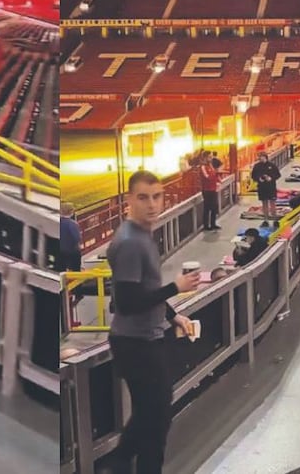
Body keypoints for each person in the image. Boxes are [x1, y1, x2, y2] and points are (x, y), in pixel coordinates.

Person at [106, 171, 200, 474]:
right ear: (129, 200)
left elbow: (145, 290)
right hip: (136, 345)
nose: (152, 204)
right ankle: (122, 463)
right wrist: (176, 287)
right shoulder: (131, 243)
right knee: (156, 422)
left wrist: (173, 315)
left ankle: (118, 463)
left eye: (157, 197)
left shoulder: (142, 235)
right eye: (143, 198)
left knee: (151, 416)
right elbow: (126, 302)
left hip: (144, 340)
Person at [251, 152, 282, 219]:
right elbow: (253, 176)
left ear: (265, 157)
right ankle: (266, 217)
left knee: (272, 202)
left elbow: (278, 175)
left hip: (271, 186)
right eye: (259, 157)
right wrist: (259, 179)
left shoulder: (272, 165)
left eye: (261, 157)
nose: (260, 158)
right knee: (264, 202)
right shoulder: (257, 166)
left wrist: (271, 178)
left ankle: (274, 216)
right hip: (262, 187)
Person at [199, 152, 220, 231]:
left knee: (214, 207)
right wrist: (215, 174)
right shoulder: (203, 167)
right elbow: (207, 177)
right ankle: (206, 225)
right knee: (207, 208)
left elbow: (214, 174)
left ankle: (213, 224)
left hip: (213, 189)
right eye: (209, 157)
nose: (211, 159)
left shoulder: (210, 166)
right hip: (207, 190)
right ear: (205, 158)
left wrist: (218, 180)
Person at [58, 202, 82, 272]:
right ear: (71, 212)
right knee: (76, 271)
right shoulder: (72, 224)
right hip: (72, 252)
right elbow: (77, 238)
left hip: (60, 251)